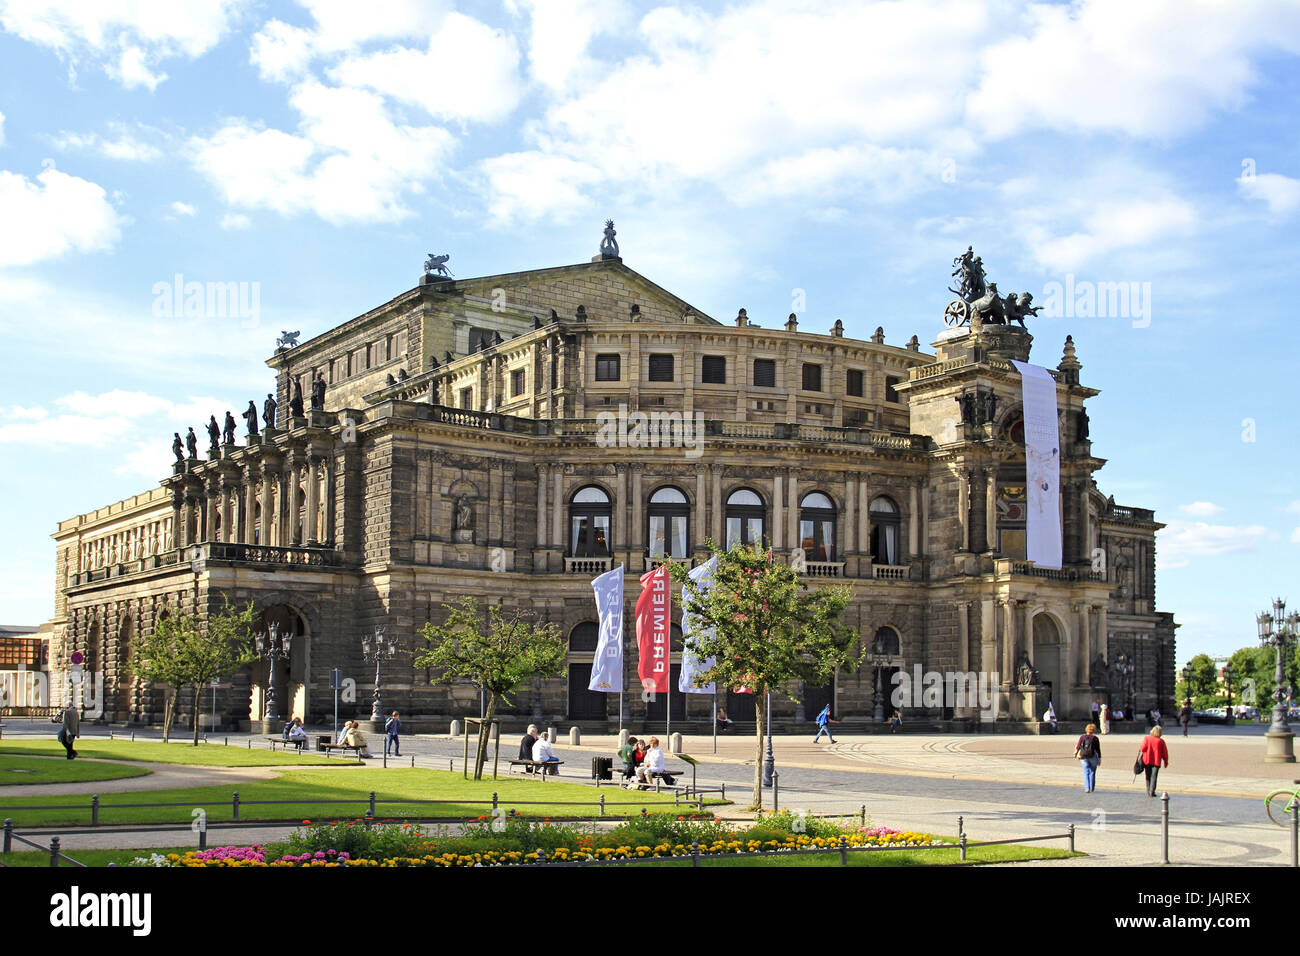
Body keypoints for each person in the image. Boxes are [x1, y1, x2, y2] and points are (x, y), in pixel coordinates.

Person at [1138, 725, 1169, 797]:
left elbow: (1142, 749)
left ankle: (1148, 790)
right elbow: (1165, 753)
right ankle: (1152, 791)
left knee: (1148, 776)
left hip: (1147, 760)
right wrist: (1166, 761)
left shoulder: (1147, 738)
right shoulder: (1161, 741)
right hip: (1156, 761)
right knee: (1154, 776)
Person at [1074, 722, 1102, 792]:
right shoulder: (1095, 738)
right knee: (1092, 772)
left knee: (1086, 772)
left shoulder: (1082, 737)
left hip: (1084, 757)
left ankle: (1087, 788)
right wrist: (1099, 759)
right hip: (1092, 756)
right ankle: (1092, 787)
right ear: (1093, 730)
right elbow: (1098, 749)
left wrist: (1076, 753)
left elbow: (1078, 747)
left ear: (1086, 729)